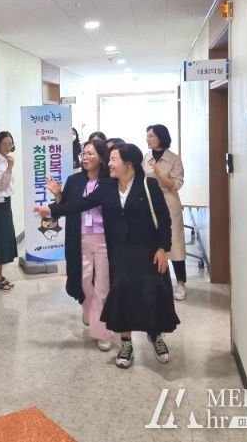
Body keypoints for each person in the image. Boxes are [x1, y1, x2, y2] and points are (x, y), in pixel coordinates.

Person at [36, 143, 180, 369]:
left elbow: (164, 219)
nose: (109, 164)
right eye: (110, 159)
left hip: (148, 251)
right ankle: (126, 343)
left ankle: (155, 336)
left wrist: (163, 248)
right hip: (119, 251)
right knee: (123, 296)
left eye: (114, 159)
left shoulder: (148, 185)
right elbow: (82, 204)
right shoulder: (106, 186)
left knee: (151, 293)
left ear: (128, 164)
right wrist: (52, 210)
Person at [46, 140, 113, 351]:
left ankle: (101, 330)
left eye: (90, 154)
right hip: (79, 238)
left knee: (102, 286)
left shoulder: (109, 181)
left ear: (101, 157)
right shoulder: (74, 180)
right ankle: (89, 309)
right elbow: (66, 207)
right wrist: (58, 194)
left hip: (104, 239)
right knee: (84, 283)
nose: (85, 157)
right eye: (83, 153)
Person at [144, 125, 187, 300]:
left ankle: (181, 283)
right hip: (149, 202)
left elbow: (175, 184)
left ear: (161, 137)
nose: (148, 139)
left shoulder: (174, 159)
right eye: (147, 136)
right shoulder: (146, 156)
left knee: (175, 244)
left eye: (151, 136)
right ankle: (156, 283)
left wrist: (159, 172)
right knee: (152, 242)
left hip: (169, 201)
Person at [0, 131, 18, 291]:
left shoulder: (7, 160)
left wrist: (9, 166)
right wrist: (10, 168)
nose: (8, 146)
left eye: (10, 143)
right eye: (4, 144)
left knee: (5, 238)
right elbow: (1, 185)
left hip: (6, 202)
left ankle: (0, 274)